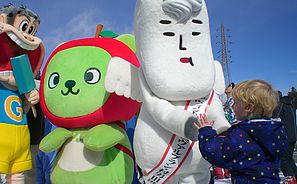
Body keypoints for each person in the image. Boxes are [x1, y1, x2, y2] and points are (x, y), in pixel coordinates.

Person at [195, 80, 288, 183]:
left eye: (235, 103)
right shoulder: (276, 131)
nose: (232, 106)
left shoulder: (243, 134)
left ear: (248, 107)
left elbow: (218, 153)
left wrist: (206, 133)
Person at [273, 91, 297, 184]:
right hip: (293, 135)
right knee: (289, 158)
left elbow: (275, 118)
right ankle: (295, 176)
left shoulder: (280, 105)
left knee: (283, 159)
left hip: (285, 136)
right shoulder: (290, 104)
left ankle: (290, 180)